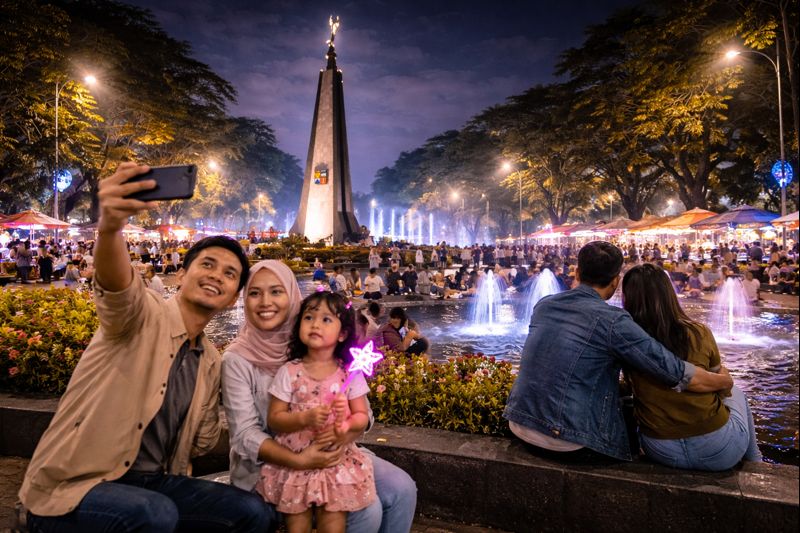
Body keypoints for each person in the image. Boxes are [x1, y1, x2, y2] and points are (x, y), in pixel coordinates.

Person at [20, 162, 269, 532]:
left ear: (234, 297)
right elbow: (118, 286)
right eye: (208, 264)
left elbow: (201, 442)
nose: (218, 275)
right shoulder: (140, 317)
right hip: (76, 488)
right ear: (182, 274)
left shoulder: (211, 360)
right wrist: (111, 226)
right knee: (154, 514)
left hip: (153, 482)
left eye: (230, 274)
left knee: (253, 512)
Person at [221, 260, 417, 533]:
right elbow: (245, 435)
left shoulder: (322, 345)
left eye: (276, 291)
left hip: (337, 451)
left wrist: (343, 431)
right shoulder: (237, 359)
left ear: (292, 296)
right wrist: (302, 459)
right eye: (254, 293)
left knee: (402, 489)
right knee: (365, 511)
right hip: (274, 463)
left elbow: (365, 414)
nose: (266, 301)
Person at [503, 241, 734, 461]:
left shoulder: (544, 305)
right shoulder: (614, 321)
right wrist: (723, 381)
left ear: (577, 274)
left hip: (520, 425)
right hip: (570, 441)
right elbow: (674, 371)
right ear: (615, 282)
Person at [622, 263, 761, 470]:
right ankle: (756, 464)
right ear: (668, 293)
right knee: (738, 393)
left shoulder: (626, 342)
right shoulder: (698, 332)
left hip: (660, 449)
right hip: (720, 449)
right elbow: (723, 389)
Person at [257, 291, 375, 531]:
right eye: (309, 318)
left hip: (334, 462)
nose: (315, 325)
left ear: (342, 334)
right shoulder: (289, 372)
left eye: (326, 320)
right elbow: (275, 419)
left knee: (333, 525)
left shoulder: (349, 374)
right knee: (296, 526)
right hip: (296, 462)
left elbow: (362, 416)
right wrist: (303, 418)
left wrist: (345, 426)